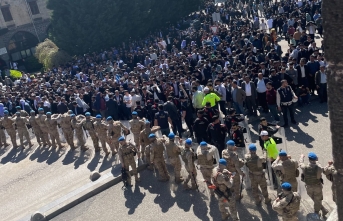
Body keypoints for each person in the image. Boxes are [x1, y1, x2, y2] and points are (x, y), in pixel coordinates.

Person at [298, 152, 328, 217]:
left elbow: (300, 163)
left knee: (315, 199)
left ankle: (320, 211)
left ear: (309, 159)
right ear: (316, 159)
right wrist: (326, 164)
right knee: (317, 199)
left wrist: (302, 157)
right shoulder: (319, 168)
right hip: (317, 186)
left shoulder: (304, 167)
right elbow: (324, 169)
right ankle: (319, 212)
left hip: (308, 187)